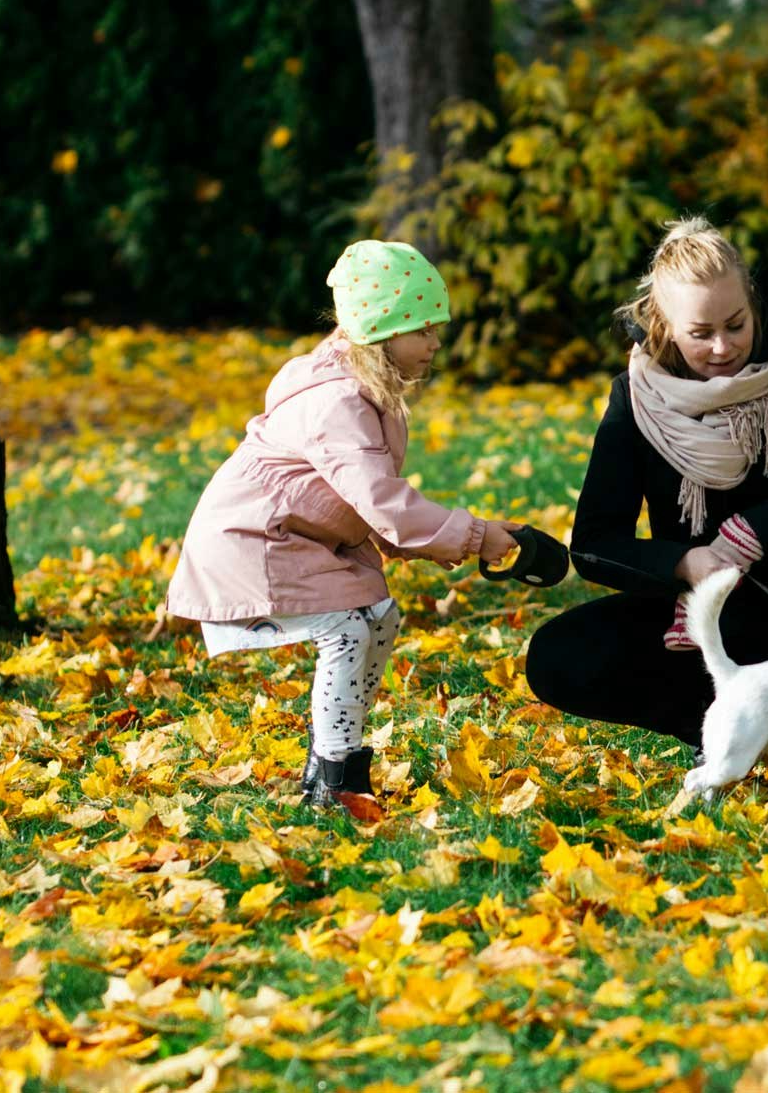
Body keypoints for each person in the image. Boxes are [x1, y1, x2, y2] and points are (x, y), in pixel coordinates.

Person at [524, 216, 768, 788]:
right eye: (700, 334)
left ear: (754, 305)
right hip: (701, 624)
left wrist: (765, 526)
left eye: (736, 324)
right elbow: (595, 545)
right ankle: (728, 735)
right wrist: (684, 564)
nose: (723, 348)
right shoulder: (636, 400)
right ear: (665, 327)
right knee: (557, 655)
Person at [166, 240, 521, 807]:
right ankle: (334, 781)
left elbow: (365, 501)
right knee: (350, 626)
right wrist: (473, 535)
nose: (435, 342)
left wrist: (456, 538)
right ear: (382, 331)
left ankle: (334, 760)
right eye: (423, 329)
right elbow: (384, 501)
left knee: (378, 614)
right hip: (251, 547)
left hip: (292, 542)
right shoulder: (337, 402)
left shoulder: (365, 390)